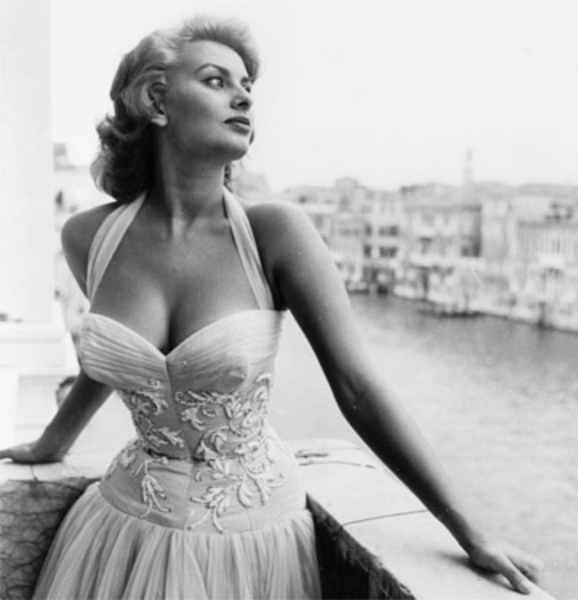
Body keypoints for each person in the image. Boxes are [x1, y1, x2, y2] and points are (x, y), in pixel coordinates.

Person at [0, 15, 543, 599]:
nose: (243, 97)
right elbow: (120, 355)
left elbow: (357, 388)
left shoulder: (276, 233)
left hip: (252, 549)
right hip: (120, 535)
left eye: (247, 87)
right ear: (156, 101)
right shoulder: (88, 238)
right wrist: (53, 442)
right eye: (216, 81)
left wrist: (470, 530)